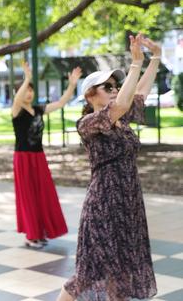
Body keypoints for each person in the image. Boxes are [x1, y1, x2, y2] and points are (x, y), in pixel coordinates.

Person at [58, 33, 159, 300]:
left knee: (123, 270)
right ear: (91, 95)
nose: (115, 89)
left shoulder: (121, 121)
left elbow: (139, 93)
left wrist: (155, 57)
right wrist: (135, 63)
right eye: (108, 86)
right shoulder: (89, 123)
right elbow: (125, 101)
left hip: (128, 203)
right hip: (104, 203)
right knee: (88, 272)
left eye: (116, 85)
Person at [11, 61, 81, 248]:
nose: (29, 93)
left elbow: (60, 103)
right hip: (23, 158)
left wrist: (72, 85)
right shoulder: (16, 110)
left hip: (38, 157)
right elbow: (18, 99)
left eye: (31, 90)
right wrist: (27, 78)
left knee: (42, 195)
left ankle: (41, 232)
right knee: (28, 196)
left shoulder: (38, 110)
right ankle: (31, 235)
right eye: (26, 90)